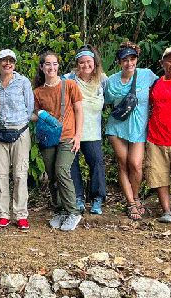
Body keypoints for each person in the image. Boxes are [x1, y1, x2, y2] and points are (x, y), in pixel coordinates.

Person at [104, 41, 157, 221]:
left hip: (138, 128)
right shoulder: (112, 80)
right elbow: (105, 100)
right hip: (117, 126)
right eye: (124, 60)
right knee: (124, 162)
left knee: (135, 164)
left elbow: (162, 88)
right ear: (119, 62)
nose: (129, 63)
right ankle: (130, 202)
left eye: (132, 59)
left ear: (137, 59)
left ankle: (135, 196)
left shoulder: (146, 75)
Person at [33, 51, 83, 231]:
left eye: (54, 64)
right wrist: (41, 114)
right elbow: (33, 114)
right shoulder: (38, 92)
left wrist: (78, 135)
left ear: (58, 66)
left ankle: (73, 212)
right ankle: (59, 210)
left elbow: (79, 111)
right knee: (52, 175)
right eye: (47, 64)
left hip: (68, 136)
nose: (51, 67)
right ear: (42, 67)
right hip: (47, 138)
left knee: (62, 170)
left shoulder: (69, 85)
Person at [63, 45, 107, 215]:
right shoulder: (68, 79)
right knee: (72, 164)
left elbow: (109, 98)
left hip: (92, 131)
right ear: (77, 64)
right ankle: (78, 198)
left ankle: (97, 199)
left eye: (89, 62)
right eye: (81, 62)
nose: (85, 65)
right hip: (72, 131)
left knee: (96, 163)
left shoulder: (102, 80)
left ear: (94, 63)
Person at [0, 49, 35, 229]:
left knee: (20, 174)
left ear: (15, 63)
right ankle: (3, 214)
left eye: (11, 61)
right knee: (0, 175)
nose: (7, 64)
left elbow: (30, 107)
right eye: (4, 60)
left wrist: (20, 125)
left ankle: (20, 214)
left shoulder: (22, 82)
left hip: (20, 131)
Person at [146, 46, 171, 224]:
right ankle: (167, 211)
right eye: (170, 61)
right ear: (162, 63)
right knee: (160, 177)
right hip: (157, 138)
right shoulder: (156, 84)